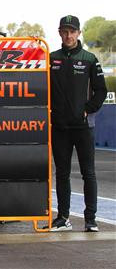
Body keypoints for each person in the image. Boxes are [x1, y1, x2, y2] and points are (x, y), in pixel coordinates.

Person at [49, 15, 107, 232]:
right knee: (62, 174)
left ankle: (90, 219)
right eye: (64, 31)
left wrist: (87, 110)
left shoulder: (90, 58)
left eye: (72, 31)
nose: (68, 35)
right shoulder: (50, 58)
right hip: (60, 127)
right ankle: (63, 218)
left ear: (78, 33)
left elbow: (101, 90)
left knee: (88, 173)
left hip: (83, 127)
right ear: (59, 32)